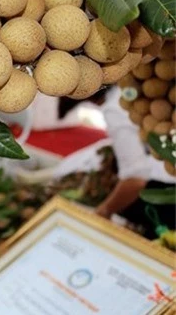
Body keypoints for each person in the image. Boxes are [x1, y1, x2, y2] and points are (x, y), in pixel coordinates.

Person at [61, 88, 175, 237]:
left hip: (165, 195)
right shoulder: (129, 89)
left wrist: (104, 211)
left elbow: (135, 179)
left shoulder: (114, 109)